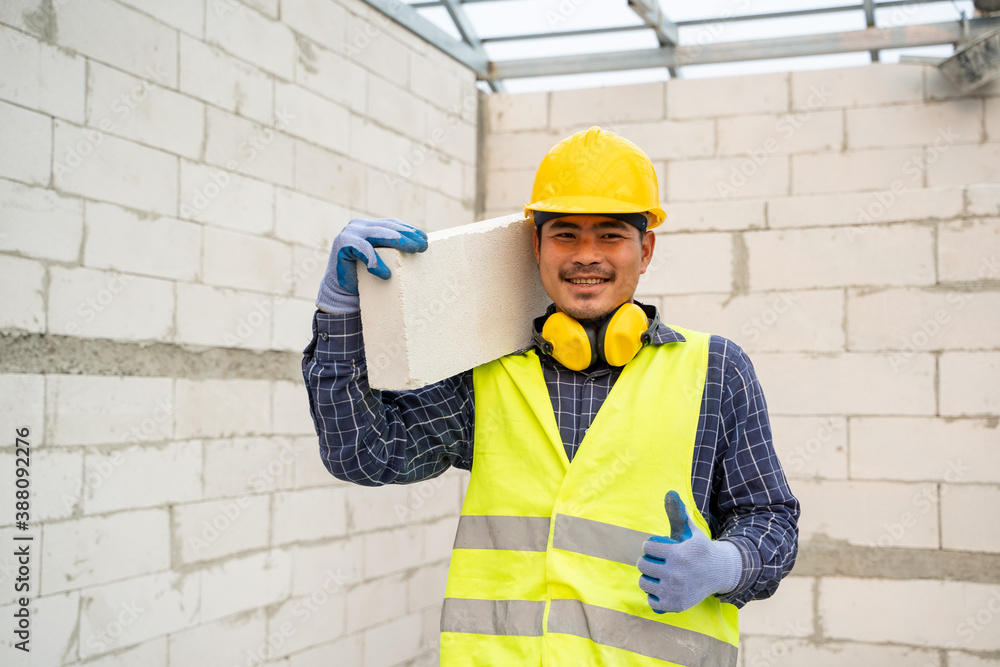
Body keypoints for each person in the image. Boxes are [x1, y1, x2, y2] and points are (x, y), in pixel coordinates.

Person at [303, 126, 799, 666]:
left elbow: (770, 518)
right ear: (536, 246)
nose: (586, 256)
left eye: (610, 235)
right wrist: (342, 316)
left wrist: (726, 564)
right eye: (565, 234)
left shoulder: (716, 370)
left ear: (646, 249)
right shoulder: (489, 374)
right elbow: (364, 453)